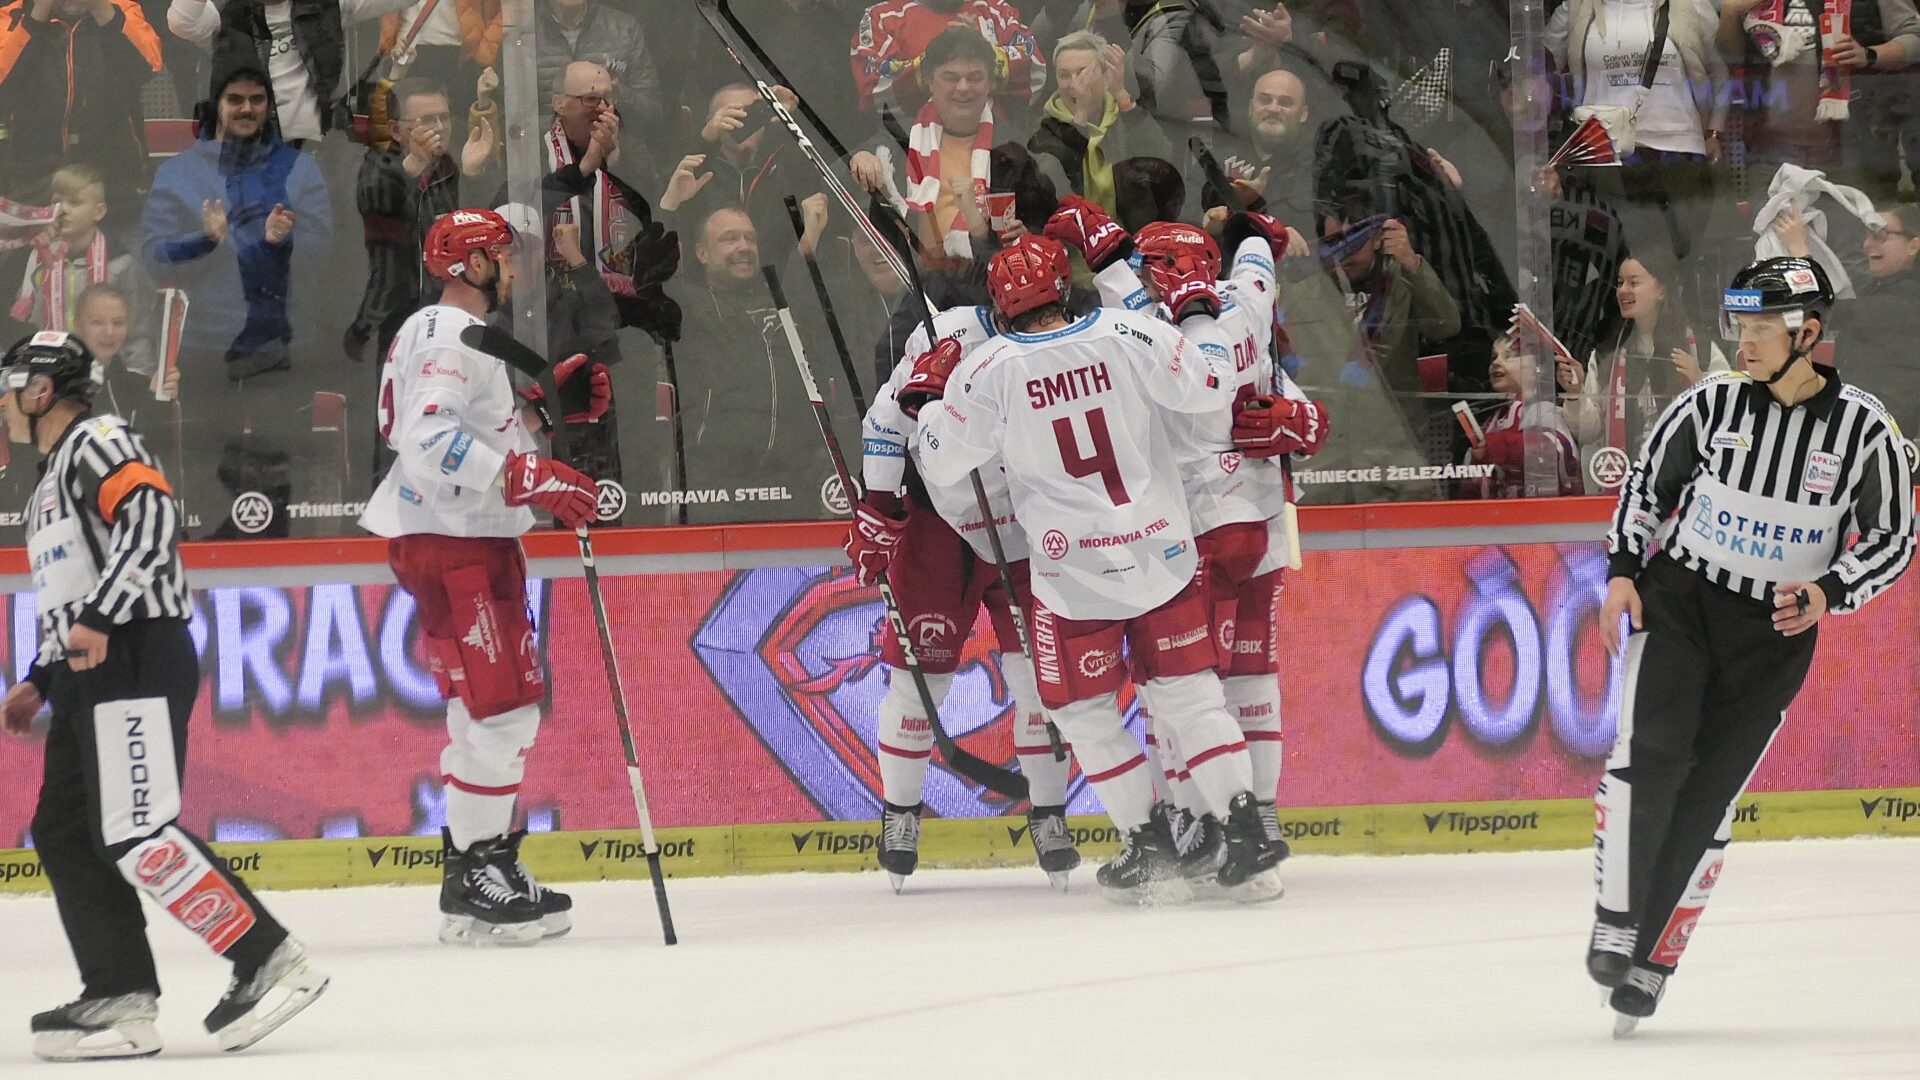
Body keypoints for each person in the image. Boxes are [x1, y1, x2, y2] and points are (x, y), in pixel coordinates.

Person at [1591, 255, 1915, 1033]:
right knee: (1651, 758)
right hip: (1683, 605)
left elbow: (1895, 539)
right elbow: (1647, 487)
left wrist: (1830, 590)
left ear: (1807, 333)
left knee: (1707, 799)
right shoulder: (1709, 403)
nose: (1745, 340)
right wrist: (1624, 571)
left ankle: (1652, 960)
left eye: (1762, 327)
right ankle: (1617, 921)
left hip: (1774, 634)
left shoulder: (1864, 429)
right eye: (1740, 324)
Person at [912, 233, 1285, 903]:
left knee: (1082, 711)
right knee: (1191, 699)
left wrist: (929, 397)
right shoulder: (1127, 331)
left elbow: (940, 460)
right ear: (1065, 287)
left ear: (999, 305)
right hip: (1161, 553)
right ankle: (1246, 827)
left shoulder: (986, 367)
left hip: (1072, 576)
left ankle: (1148, 841)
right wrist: (1197, 311)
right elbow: (1210, 386)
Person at [0, 330, 326, 1060]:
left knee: (135, 830)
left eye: (10, 388)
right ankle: (119, 992)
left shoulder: (98, 441)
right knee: (64, 829)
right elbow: (73, 585)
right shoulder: (52, 477)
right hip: (89, 668)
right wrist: (42, 678)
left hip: (134, 654)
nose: (4, 404)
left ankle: (268, 958)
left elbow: (151, 519)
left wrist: (100, 618)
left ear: (42, 391)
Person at [358, 207, 599, 945]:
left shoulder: (457, 333)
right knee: (500, 714)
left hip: (467, 536)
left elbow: (466, 427)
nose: (515, 266)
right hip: (452, 538)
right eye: (503, 254)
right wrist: (526, 474)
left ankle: (476, 872)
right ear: (472, 265)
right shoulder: (445, 333)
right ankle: (476, 874)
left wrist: (541, 416)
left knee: (489, 712)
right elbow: (426, 437)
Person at [1067, 198, 1329, 872]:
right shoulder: (1248, 297)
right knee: (1251, 674)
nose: (1141, 275)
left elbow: (1128, 299)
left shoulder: (1150, 325)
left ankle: (1200, 823)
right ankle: (1255, 813)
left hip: (1193, 530)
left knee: (1182, 686)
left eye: (1148, 266)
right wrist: (1303, 418)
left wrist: (1100, 248)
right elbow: (1258, 258)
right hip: (1264, 517)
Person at [852, 286, 1080, 891]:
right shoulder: (947, 332)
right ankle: (900, 814)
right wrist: (879, 505)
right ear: (998, 308)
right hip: (940, 525)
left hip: (1027, 527)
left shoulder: (1073, 339)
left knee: (1041, 683)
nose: (1038, 325)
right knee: (919, 682)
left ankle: (1049, 816)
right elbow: (886, 419)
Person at [138, 66, 332, 538]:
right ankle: (206, 563)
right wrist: (204, 242)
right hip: (205, 344)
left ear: (269, 105)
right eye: (235, 99)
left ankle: (280, 557)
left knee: (277, 466)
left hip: (280, 344)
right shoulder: (179, 172)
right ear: (216, 105)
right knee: (208, 469)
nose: (247, 108)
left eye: (257, 99)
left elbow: (326, 253)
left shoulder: (298, 168)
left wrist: (281, 242)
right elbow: (154, 257)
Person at [1559, 255, 1725, 491]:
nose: (1623, 290)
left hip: (1687, 490)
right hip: (1624, 487)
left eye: (1633, 282)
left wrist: (1700, 381)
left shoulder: (1698, 346)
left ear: (1661, 291)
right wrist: (1575, 394)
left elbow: (1730, 413)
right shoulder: (1608, 353)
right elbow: (1588, 432)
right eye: (1620, 283)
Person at [168, 0, 418, 145]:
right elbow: (181, 20)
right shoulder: (222, 17)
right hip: (248, 152)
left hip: (316, 149)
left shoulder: (327, 5)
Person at [0, 0, 163, 204]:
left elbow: (147, 67)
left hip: (112, 174)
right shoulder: (11, 16)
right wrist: (37, 15)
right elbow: (4, 81)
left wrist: (100, 8)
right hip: (28, 176)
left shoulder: (123, 9)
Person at [1, 162, 156, 375]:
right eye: (56, 202)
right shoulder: (35, 259)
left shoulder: (121, 264)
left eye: (74, 202)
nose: (62, 210)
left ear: (99, 211)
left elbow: (138, 332)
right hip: (47, 374)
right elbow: (22, 324)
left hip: (106, 376)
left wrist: (136, 380)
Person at [1027, 30, 1170, 214]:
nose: (1074, 84)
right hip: (1075, 228)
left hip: (1129, 229)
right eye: (1064, 75)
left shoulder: (1124, 116)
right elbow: (1051, 189)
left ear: (1105, 77)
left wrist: (1122, 96)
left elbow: (1162, 156)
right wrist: (1080, 118)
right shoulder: (1044, 129)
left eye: (1083, 73)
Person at [849, 0, 1046, 123]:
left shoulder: (997, 10)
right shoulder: (880, 17)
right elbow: (871, 92)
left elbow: (1036, 70)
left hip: (996, 147)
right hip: (911, 148)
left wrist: (981, 52)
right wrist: (941, 57)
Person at [1460, 332, 1581, 499]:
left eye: (1510, 356)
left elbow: (1552, 452)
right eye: (1494, 357)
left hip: (1547, 512)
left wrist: (1494, 447)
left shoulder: (1544, 410)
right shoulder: (1492, 422)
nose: (1496, 362)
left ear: (1537, 370)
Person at [1836, 203, 1920, 430]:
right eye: (1867, 235)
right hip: (1859, 425)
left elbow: (1836, 313)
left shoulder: (1911, 296)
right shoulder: (1875, 287)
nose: (1867, 244)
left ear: (1913, 245)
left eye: (1880, 235)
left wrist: (1799, 250)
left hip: (1891, 434)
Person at [532, 0, 663, 134]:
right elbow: (519, 124)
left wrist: (619, 96)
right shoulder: (525, 33)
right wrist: (566, 129)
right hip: (546, 145)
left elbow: (653, 115)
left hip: (617, 144)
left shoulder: (625, 29)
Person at [72, 283, 177, 437]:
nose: (109, 332)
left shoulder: (139, 386)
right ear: (78, 325)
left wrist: (161, 399)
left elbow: (152, 444)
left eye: (118, 323)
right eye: (98, 322)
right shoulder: (62, 387)